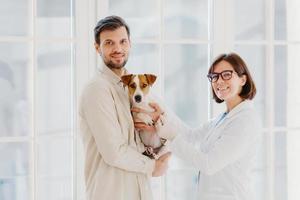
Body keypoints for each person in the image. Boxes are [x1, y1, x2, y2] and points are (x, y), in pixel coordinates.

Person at [134, 53, 262, 200]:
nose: (219, 81)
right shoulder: (223, 118)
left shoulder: (244, 121)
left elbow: (209, 164)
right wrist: (160, 117)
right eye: (214, 77)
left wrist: (170, 135)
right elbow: (190, 136)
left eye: (226, 75)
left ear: (243, 79)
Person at [79, 15, 171, 200]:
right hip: (110, 193)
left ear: (130, 44)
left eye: (122, 41)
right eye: (109, 43)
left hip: (140, 191)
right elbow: (113, 152)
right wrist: (153, 166)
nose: (118, 49)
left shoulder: (137, 86)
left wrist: (158, 129)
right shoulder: (97, 89)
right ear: (97, 47)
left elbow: (162, 132)